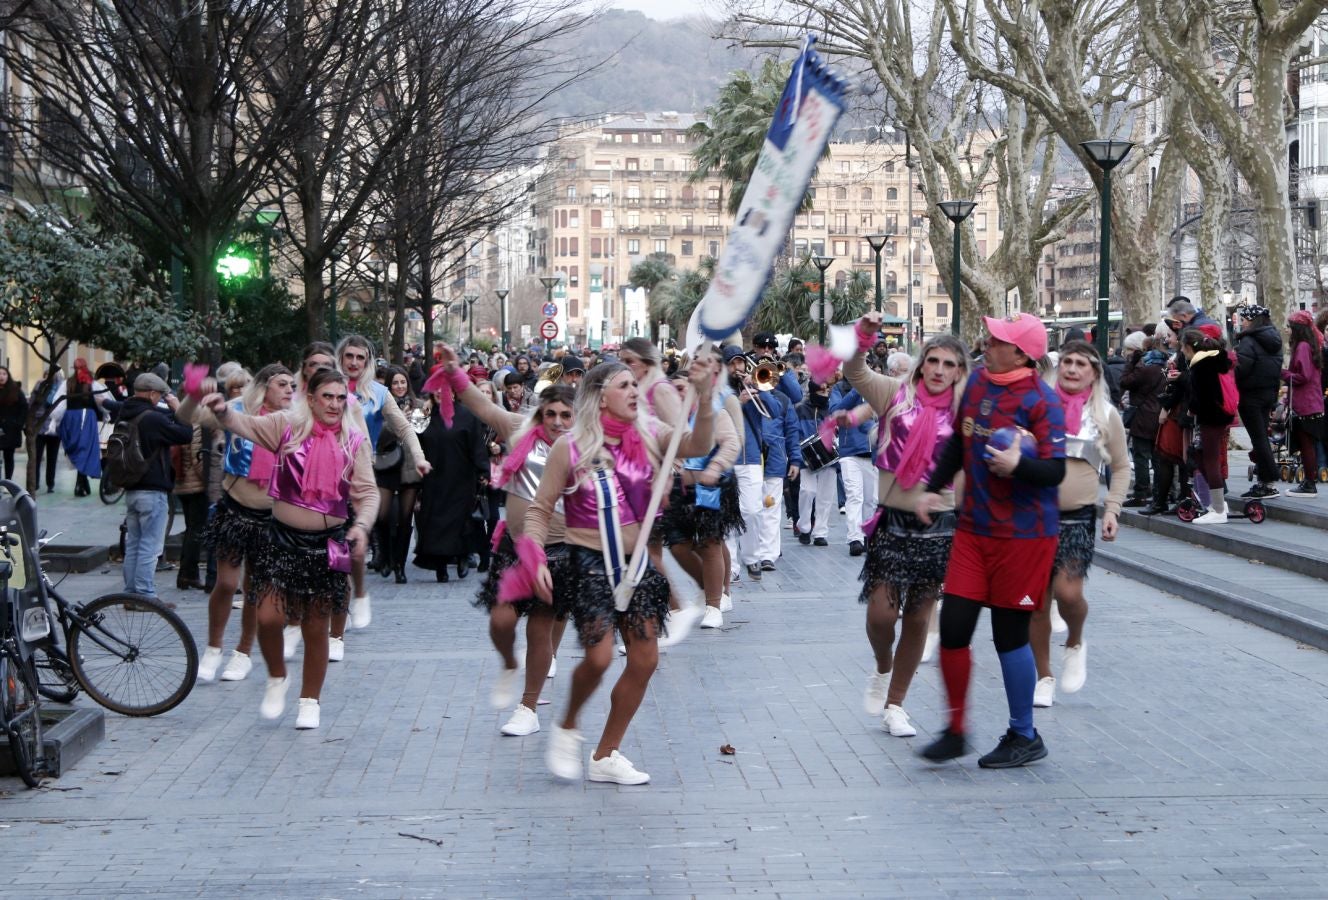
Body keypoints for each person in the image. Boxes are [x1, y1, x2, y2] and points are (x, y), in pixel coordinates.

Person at [527, 360, 715, 785]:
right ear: (600, 395)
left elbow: (696, 442)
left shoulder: (648, 435)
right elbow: (539, 511)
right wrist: (535, 555)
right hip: (590, 563)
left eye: (636, 384)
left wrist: (702, 398)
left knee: (645, 659)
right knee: (599, 656)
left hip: (637, 565)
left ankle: (605, 754)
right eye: (624, 385)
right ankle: (568, 723)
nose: (635, 391)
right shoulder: (570, 447)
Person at [915, 313, 1066, 768]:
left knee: (1008, 637)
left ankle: (1024, 734)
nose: (986, 341)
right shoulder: (978, 382)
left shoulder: (1043, 400)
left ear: (1021, 353)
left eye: (997, 338)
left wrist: (1018, 467)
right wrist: (932, 488)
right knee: (954, 629)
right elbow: (959, 447)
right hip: (974, 530)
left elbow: (1055, 471)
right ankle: (957, 730)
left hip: (1023, 537)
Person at [200, 368, 377, 729]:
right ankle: (276, 675)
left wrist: (361, 525)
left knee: (316, 626)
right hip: (279, 540)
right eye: (327, 396)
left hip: (327, 544)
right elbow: (242, 425)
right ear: (310, 398)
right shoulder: (286, 426)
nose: (334, 404)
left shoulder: (353, 440)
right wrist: (221, 411)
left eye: (341, 398)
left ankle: (310, 700)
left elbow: (368, 492)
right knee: (268, 617)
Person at [435, 348, 576, 735]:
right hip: (516, 548)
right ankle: (510, 664)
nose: (558, 422)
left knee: (540, 628)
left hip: (561, 550)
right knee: (500, 621)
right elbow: (480, 404)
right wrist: (454, 374)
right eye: (551, 414)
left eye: (567, 415)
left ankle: (527, 708)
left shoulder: (587, 445)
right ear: (540, 414)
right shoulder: (518, 430)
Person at [842, 321, 969, 739]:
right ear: (920, 365)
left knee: (917, 618)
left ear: (958, 371)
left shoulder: (965, 410)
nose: (938, 369)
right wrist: (864, 335)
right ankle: (882, 664)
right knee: (882, 615)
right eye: (932, 360)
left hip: (940, 526)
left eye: (948, 364)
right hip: (892, 523)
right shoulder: (895, 393)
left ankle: (896, 704)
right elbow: (855, 372)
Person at [1031, 341, 1129, 708]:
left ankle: (1074, 640)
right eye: (1067, 362)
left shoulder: (1106, 415)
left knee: (1068, 594)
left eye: (1081, 364)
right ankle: (1044, 676)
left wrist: (1112, 510)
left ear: (1095, 373)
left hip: (1076, 520)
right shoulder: (1039, 407)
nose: (1072, 369)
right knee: (1036, 604)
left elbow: (1121, 467)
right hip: (1033, 517)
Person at [336, 336, 430, 643]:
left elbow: (404, 428)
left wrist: (419, 457)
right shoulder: (326, 388)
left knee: (353, 545)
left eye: (359, 358)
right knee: (331, 546)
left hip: (362, 474)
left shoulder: (378, 393)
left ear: (368, 361)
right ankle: (334, 612)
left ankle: (357, 592)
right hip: (325, 475)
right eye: (348, 356)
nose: (353, 363)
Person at [659, 354, 741, 629]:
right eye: (672, 392)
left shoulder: (713, 413)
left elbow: (731, 443)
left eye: (681, 389)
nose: (676, 395)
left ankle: (714, 604)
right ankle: (711, 586)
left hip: (711, 486)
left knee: (711, 543)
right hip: (678, 491)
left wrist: (715, 468)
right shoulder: (664, 420)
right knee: (679, 545)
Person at [116, 373, 194, 601]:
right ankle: (145, 596)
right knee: (150, 546)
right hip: (152, 491)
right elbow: (185, 434)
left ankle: (131, 594)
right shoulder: (152, 419)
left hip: (131, 489)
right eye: (159, 395)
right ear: (152, 394)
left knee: (134, 544)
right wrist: (179, 408)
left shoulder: (125, 413)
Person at [413, 385, 489, 582]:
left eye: (445, 389)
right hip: (433, 479)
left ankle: (463, 555)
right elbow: (412, 441)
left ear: (453, 392)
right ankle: (440, 567)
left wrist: (483, 470)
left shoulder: (466, 416)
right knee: (435, 523)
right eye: (437, 389)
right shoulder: (425, 415)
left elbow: (476, 445)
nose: (441, 392)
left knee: (460, 521)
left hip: (461, 478)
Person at [371, 366, 427, 583]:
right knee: (382, 516)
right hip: (386, 466)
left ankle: (399, 566)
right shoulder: (380, 406)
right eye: (395, 383)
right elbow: (377, 436)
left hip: (410, 470)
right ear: (389, 386)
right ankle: (384, 555)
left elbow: (424, 435)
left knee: (405, 519)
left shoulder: (420, 406)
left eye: (402, 382)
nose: (400, 387)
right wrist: (396, 422)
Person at [1177, 327, 1236, 523]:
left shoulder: (1201, 366)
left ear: (1187, 347)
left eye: (1182, 347)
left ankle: (1218, 510)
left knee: (1210, 460)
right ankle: (1219, 504)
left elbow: (1201, 397)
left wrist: (1190, 409)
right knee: (1202, 456)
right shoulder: (1216, 360)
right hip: (1220, 415)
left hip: (1211, 417)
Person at [1233, 304, 1284, 499]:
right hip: (1268, 394)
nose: (1242, 323)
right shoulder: (1274, 339)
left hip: (1251, 395)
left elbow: (1242, 368)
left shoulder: (1249, 340)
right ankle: (1265, 480)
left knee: (1258, 438)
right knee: (1262, 436)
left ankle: (1268, 479)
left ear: (1252, 320)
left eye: (1244, 319)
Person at [1119, 332, 1166, 508]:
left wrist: (1131, 363)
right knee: (1158, 456)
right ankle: (1161, 492)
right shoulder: (1165, 365)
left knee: (1141, 455)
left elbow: (1125, 381)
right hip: (1160, 414)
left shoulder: (1143, 367)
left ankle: (1141, 492)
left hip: (1143, 415)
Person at [1283, 310, 1324, 497]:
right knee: (1308, 444)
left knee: (1306, 444)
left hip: (1305, 403)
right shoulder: (1311, 345)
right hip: (1312, 402)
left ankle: (1309, 482)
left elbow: (1303, 376)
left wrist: (1283, 373)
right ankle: (1309, 481)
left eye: (1290, 327)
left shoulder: (1302, 348)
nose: (1288, 331)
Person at [793, 380, 837, 547]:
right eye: (821, 391)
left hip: (829, 457)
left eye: (827, 391)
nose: (825, 395)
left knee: (825, 497)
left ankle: (820, 532)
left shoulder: (832, 409)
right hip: (807, 457)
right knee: (807, 491)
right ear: (813, 392)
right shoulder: (800, 409)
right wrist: (798, 452)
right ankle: (804, 527)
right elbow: (794, 431)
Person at [59, 357, 104, 497]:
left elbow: (59, 402)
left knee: (80, 449)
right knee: (84, 449)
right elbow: (102, 401)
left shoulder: (68, 383)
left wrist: (57, 420)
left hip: (72, 418)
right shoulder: (92, 384)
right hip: (86, 417)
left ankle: (81, 483)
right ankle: (81, 483)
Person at [0, 367, 27, 481]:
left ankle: (8, 481)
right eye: (0, 374)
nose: (1, 376)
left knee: (9, 456)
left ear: (8, 375)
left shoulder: (15, 390)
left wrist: (18, 423)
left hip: (11, 429)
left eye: (4, 374)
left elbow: (24, 407)